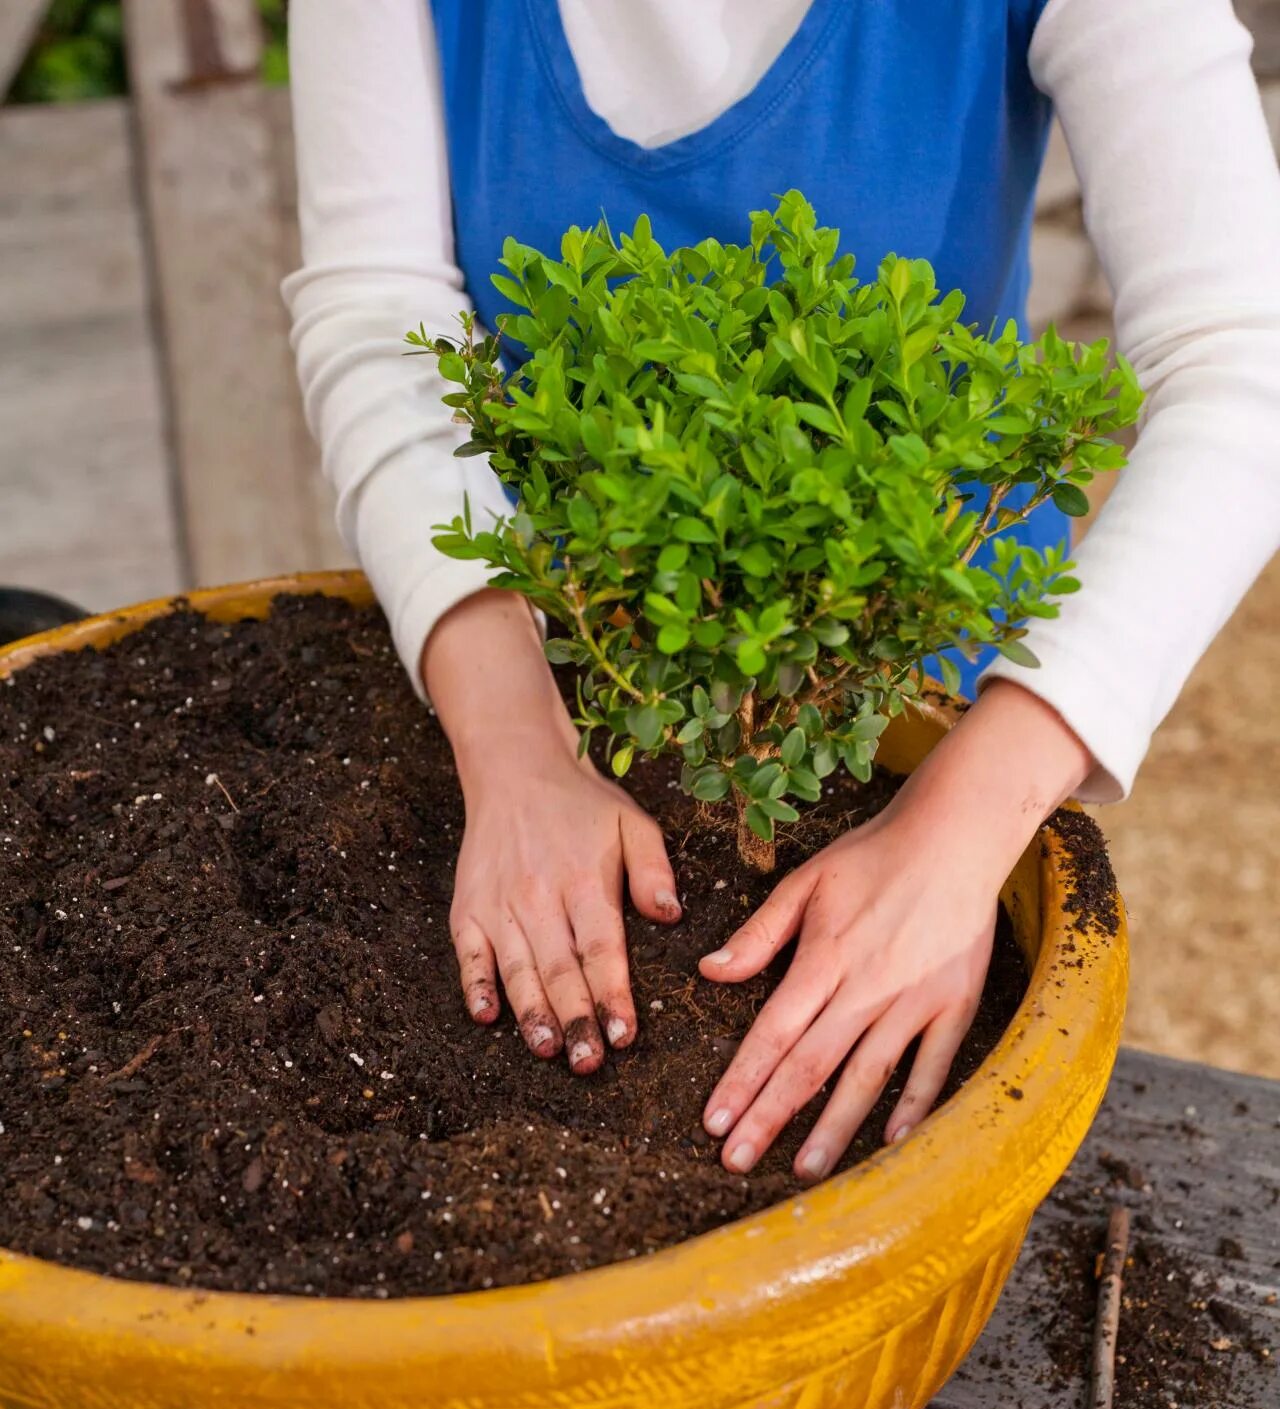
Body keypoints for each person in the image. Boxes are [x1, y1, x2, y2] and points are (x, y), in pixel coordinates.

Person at [284, 0, 1280, 1183]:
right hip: (579, 653)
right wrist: (512, 747)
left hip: (917, 696)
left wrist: (954, 834)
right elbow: (378, 309)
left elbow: (1242, 359)